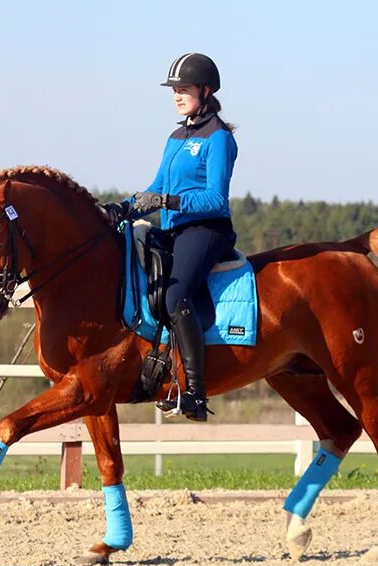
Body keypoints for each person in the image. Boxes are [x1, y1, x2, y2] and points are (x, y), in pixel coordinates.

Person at [105, 53, 238, 422]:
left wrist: (169, 201)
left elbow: (215, 198)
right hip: (175, 228)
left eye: (183, 89)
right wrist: (124, 208)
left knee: (177, 294)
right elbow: (156, 187)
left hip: (208, 229)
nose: (177, 96)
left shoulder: (219, 138)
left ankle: (195, 393)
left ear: (205, 90)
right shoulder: (176, 136)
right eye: (174, 90)